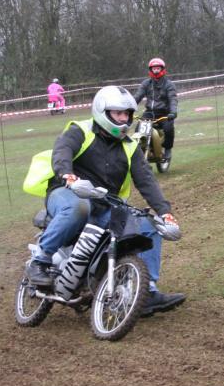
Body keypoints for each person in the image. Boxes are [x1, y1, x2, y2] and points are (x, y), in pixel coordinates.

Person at [27, 85, 185, 316]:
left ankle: (147, 291)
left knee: (149, 227)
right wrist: (68, 176)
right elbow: (62, 152)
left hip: (106, 203)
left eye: (127, 114)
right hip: (68, 191)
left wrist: (165, 213)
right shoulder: (80, 130)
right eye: (117, 113)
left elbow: (147, 182)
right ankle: (40, 261)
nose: (123, 119)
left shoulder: (130, 146)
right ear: (102, 111)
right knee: (78, 208)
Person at [133, 57, 178, 162]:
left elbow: (173, 99)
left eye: (158, 68)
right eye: (154, 68)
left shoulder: (169, 84)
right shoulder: (146, 84)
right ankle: (139, 151)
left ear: (162, 69)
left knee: (168, 129)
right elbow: (137, 96)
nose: (156, 70)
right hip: (149, 113)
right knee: (138, 128)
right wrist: (129, 106)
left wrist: (173, 112)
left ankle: (167, 149)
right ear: (151, 70)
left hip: (164, 114)